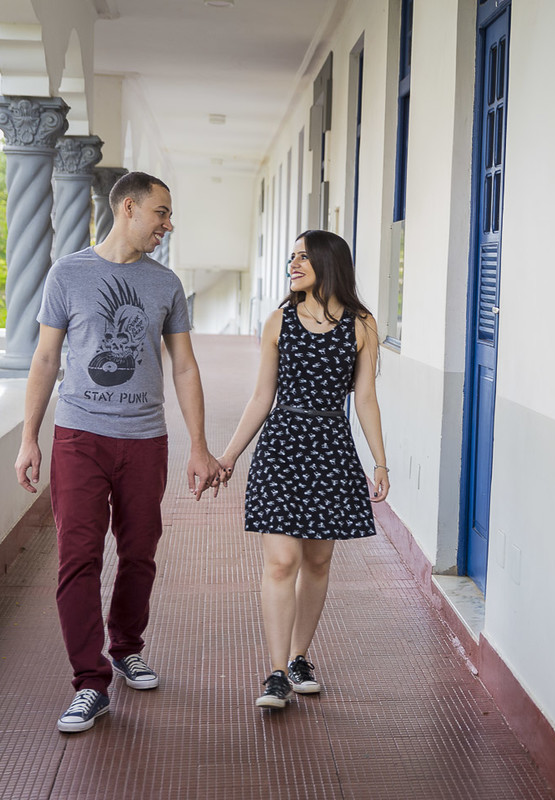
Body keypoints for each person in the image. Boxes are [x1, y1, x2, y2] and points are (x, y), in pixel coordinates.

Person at [14, 171, 222, 733]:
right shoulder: (68, 273)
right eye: (161, 213)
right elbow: (44, 360)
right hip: (79, 438)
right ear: (128, 208)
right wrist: (30, 436)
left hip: (145, 439)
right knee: (77, 558)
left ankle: (125, 646)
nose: (168, 225)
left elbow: (184, 366)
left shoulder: (166, 285)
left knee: (139, 552)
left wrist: (199, 447)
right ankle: (90, 682)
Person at [218, 229, 390, 710]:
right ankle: (275, 673)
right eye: (291, 257)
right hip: (281, 448)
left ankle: (299, 658)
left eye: (302, 257)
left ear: (327, 263)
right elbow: (261, 396)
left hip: (332, 449)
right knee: (282, 561)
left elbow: (367, 400)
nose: (293, 264)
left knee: (317, 561)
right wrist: (230, 456)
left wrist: (379, 461)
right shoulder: (279, 321)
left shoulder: (362, 324)